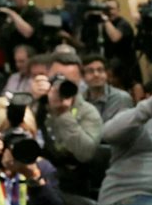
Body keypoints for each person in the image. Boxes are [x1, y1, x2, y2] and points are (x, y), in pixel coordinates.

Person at [36, 53, 103, 194]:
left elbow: (85, 154)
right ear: (47, 76)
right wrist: (33, 101)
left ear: (80, 81)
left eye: (69, 82)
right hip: (36, 175)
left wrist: (63, 114)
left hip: (72, 183)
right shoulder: (37, 104)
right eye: (57, 79)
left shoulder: (88, 112)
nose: (61, 86)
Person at [82, 54, 132, 122]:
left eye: (100, 70)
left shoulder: (121, 98)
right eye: (90, 71)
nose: (96, 75)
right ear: (83, 77)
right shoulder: (79, 100)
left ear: (106, 74)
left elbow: (123, 128)